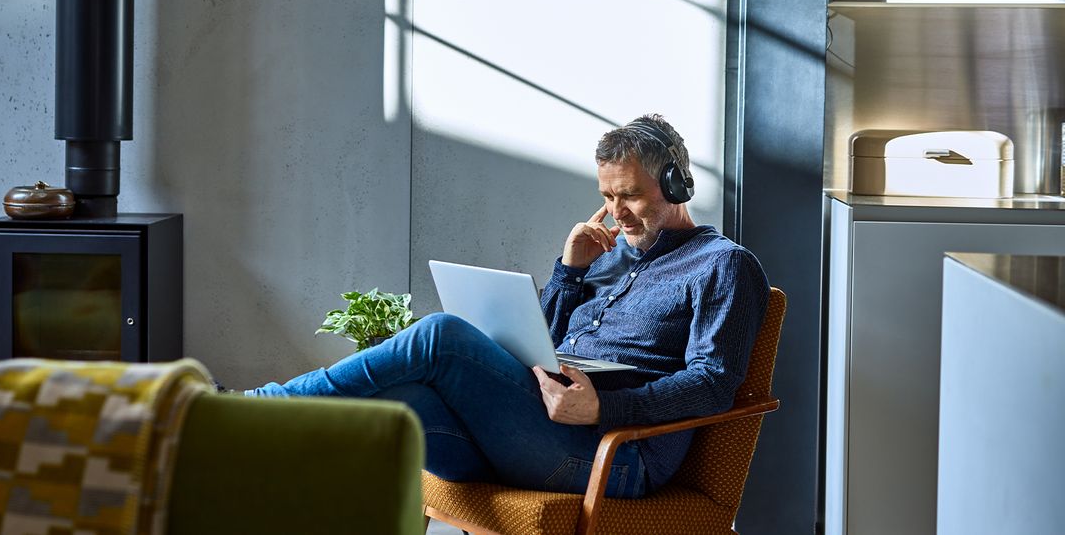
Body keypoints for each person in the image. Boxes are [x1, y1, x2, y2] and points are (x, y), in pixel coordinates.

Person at [244, 114, 769, 499]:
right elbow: (538, 341)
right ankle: (254, 462)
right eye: (607, 197)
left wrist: (604, 408)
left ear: (676, 183)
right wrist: (570, 271)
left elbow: (713, 383)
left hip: (614, 456)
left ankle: (256, 409)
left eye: (629, 195)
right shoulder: (604, 255)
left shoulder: (722, 265)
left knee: (441, 336)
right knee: (401, 397)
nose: (616, 213)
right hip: (537, 427)